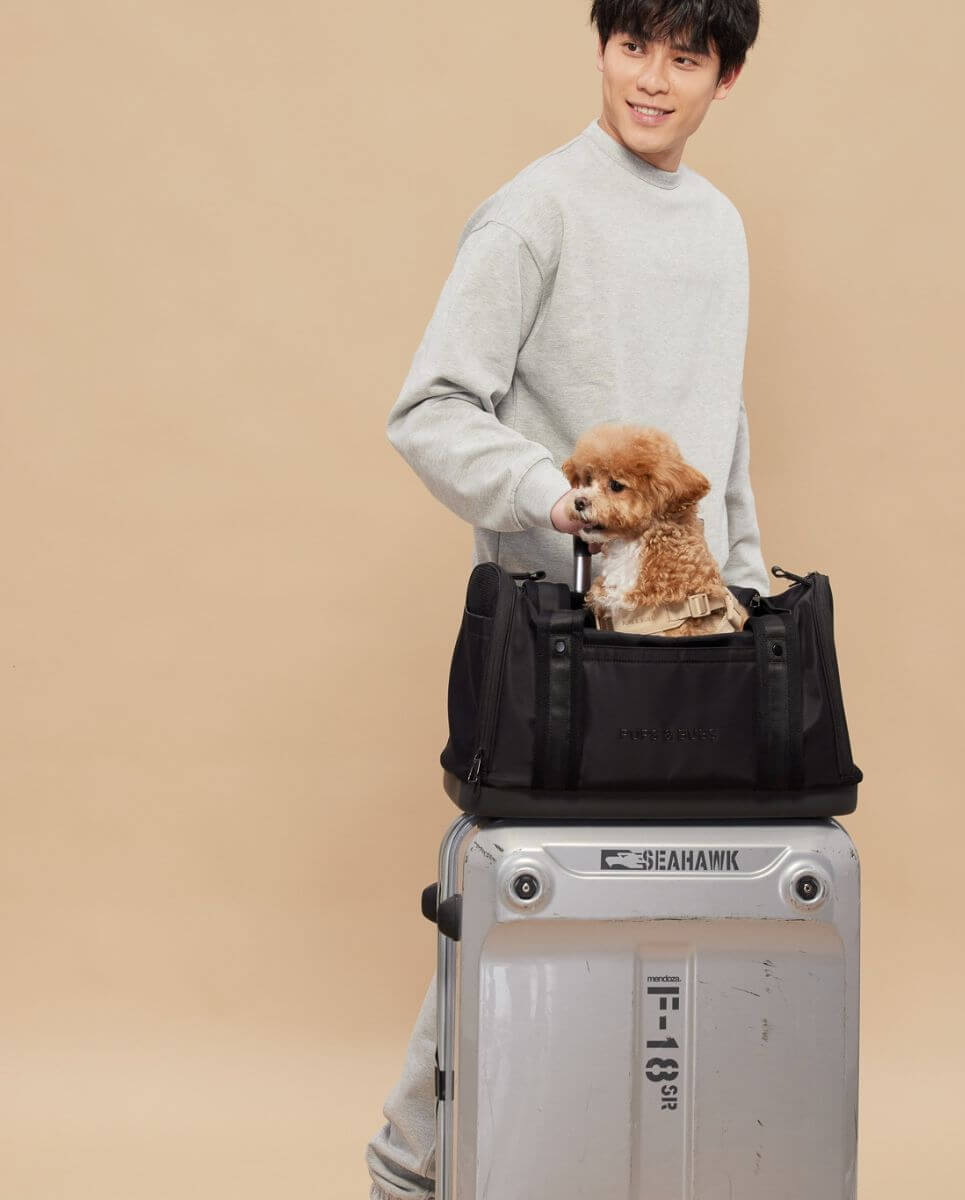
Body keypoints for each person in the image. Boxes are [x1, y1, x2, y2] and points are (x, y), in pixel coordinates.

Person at [366, 3, 766, 1196]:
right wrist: (561, 498)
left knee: (677, 924)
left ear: (725, 79)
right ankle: (406, 1177)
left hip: (691, 642)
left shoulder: (722, 229)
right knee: (519, 909)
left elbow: (720, 435)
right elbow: (430, 408)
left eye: (685, 58)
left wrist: (747, 593)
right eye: (633, 46)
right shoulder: (534, 212)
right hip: (555, 643)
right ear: (601, 49)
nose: (653, 80)